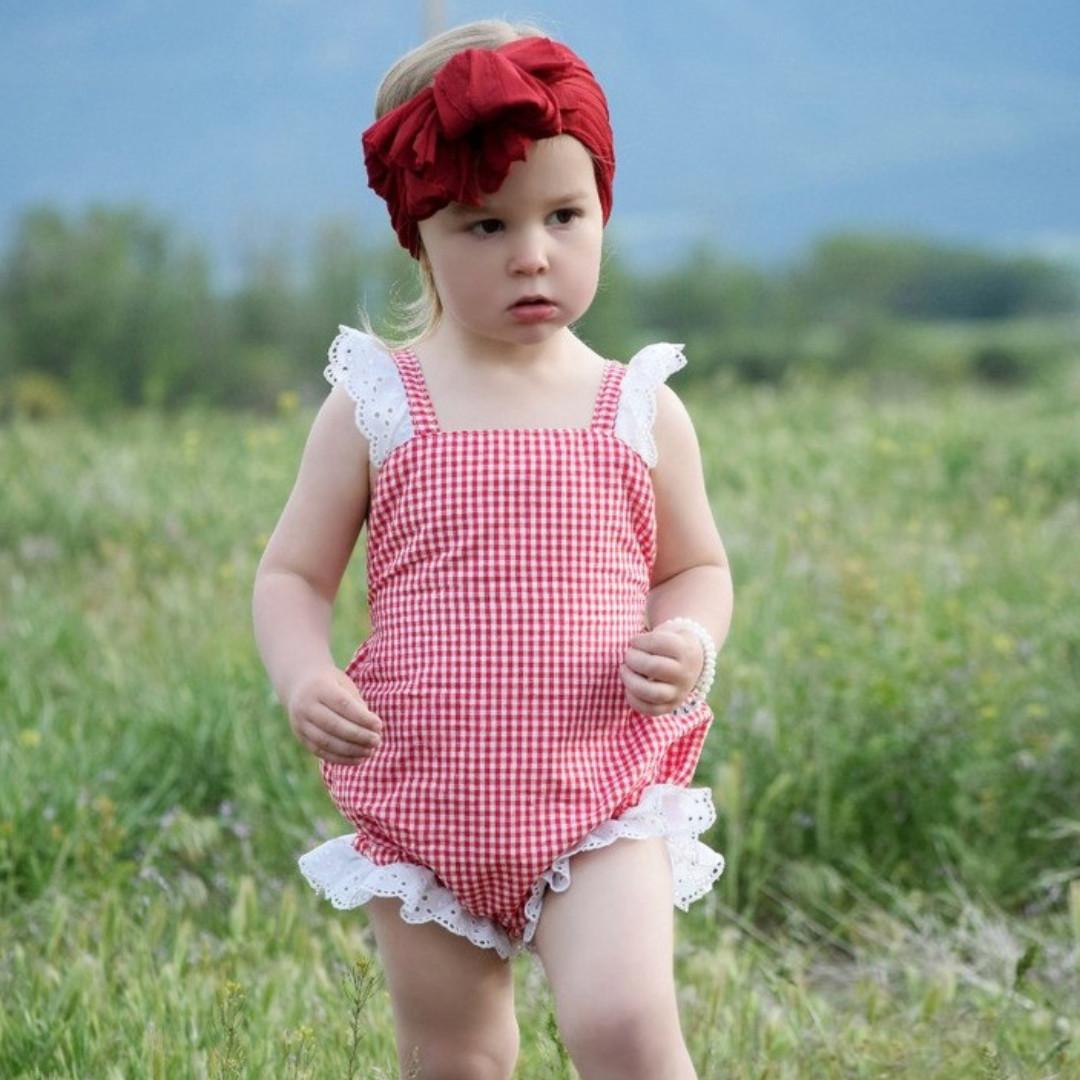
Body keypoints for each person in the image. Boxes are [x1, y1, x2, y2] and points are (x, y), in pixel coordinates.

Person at [252, 18, 734, 1080]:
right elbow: (293, 574)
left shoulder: (633, 405)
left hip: (595, 790)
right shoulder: (380, 403)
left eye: (565, 215)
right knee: (456, 1057)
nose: (532, 252)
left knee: (624, 1029)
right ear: (415, 232)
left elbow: (694, 564)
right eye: (483, 225)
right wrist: (304, 671)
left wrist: (689, 637)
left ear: (603, 208)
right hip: (427, 797)